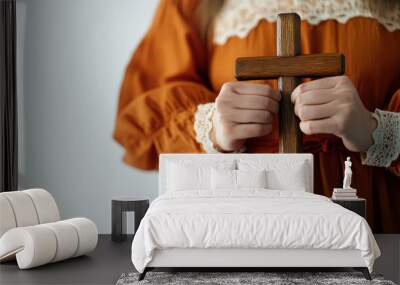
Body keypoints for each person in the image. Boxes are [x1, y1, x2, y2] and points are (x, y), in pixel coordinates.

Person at [113, 0, 400, 233]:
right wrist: (211, 127)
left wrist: (378, 131)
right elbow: (140, 126)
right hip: (246, 210)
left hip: (373, 209)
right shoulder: (192, 4)